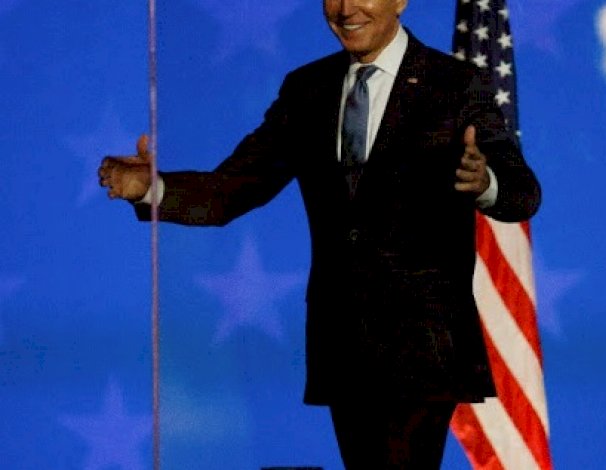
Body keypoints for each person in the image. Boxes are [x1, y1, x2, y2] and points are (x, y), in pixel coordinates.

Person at [97, 0, 541, 467]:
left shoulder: (454, 84)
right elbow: (229, 192)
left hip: (422, 347)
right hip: (344, 342)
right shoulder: (308, 88)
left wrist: (485, 181)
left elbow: (523, 193)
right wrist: (150, 187)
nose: (346, 9)